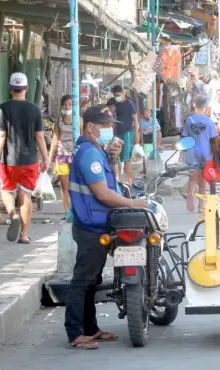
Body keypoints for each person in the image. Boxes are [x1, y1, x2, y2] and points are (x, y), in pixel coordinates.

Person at [64, 104, 154, 350]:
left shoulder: (94, 150)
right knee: (82, 280)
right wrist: (132, 202)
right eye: (104, 126)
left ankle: (91, 328)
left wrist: (112, 157)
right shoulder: (89, 154)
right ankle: (75, 333)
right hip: (91, 226)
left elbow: (108, 183)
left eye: (110, 126)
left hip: (96, 223)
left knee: (92, 280)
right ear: (90, 127)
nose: (108, 131)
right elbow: (103, 194)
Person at [0, 72, 49, 244]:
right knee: (25, 195)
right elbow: (40, 136)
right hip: (30, 160)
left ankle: (13, 214)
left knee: (5, 190)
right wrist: (46, 158)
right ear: (26, 88)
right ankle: (24, 235)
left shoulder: (3, 108)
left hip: (8, 161)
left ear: (10, 89)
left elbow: (1, 136)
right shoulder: (35, 109)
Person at [182, 96, 219, 213]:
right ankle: (201, 206)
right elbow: (214, 140)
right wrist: (215, 155)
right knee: (203, 181)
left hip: (192, 152)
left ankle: (190, 193)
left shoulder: (189, 120)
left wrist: (183, 152)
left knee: (192, 177)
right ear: (206, 107)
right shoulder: (209, 122)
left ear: (194, 105)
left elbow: (184, 137)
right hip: (205, 152)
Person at [49, 95, 75, 213]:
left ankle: (75, 209)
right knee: (64, 186)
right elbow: (55, 139)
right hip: (61, 155)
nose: (67, 106)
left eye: (70, 104)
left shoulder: (78, 119)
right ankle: (67, 211)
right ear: (61, 106)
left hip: (75, 156)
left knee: (75, 185)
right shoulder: (58, 120)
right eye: (65, 104)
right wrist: (49, 159)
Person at [111, 85, 139, 183]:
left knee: (127, 158)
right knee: (117, 156)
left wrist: (136, 134)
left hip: (127, 133)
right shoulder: (116, 104)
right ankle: (118, 179)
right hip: (118, 133)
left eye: (118, 95)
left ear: (124, 93)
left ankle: (128, 181)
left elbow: (135, 119)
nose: (117, 97)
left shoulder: (129, 104)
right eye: (115, 96)